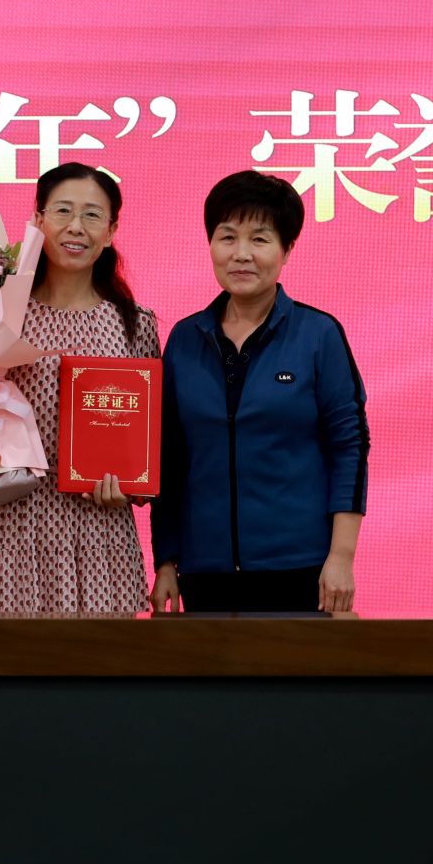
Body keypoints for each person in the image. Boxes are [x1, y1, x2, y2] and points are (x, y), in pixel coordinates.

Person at [0, 163, 160, 616]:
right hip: (4, 534)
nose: (76, 227)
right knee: (1, 661)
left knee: (99, 660)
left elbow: (148, 439)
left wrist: (132, 486)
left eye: (92, 215)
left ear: (111, 232)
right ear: (38, 220)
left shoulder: (135, 326)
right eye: (62, 211)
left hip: (98, 540)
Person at [150, 170, 368, 614]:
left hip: (301, 567)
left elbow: (349, 447)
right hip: (204, 569)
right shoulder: (185, 339)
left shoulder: (318, 334)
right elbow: (170, 458)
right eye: (227, 237)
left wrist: (341, 557)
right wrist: (167, 560)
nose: (242, 254)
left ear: (287, 249)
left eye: (260, 239)